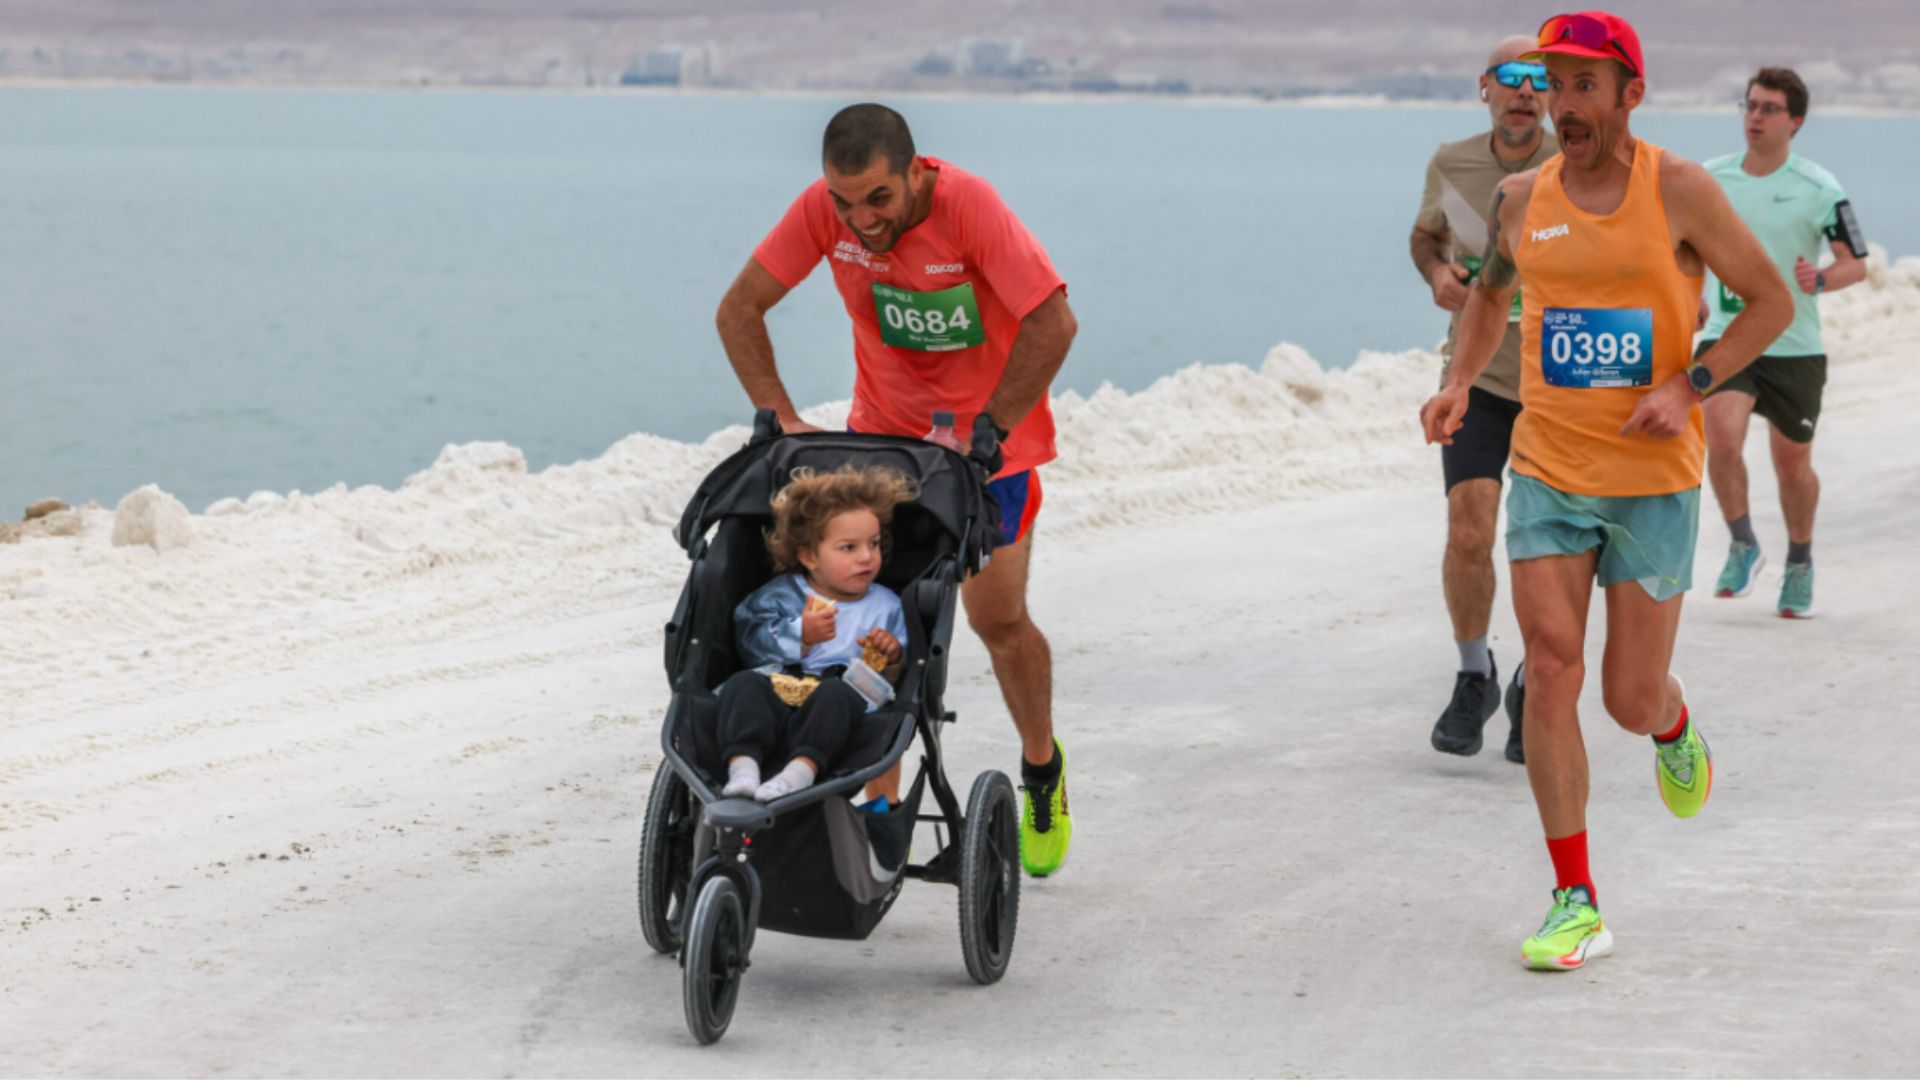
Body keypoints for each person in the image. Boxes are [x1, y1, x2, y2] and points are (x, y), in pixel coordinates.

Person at [1419, 11, 1793, 971]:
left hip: (1652, 482)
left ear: (1631, 93)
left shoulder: (1680, 189)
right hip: (1549, 468)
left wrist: (1691, 384)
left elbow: (1770, 302)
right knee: (1549, 670)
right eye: (1554, 84)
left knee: (1626, 697)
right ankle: (1575, 898)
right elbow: (1494, 294)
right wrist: (1461, 381)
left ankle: (1670, 724)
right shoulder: (1518, 198)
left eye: (1586, 84)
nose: (1564, 104)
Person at [715, 103, 1079, 875]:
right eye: (843, 202)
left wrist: (996, 425)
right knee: (879, 620)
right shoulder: (827, 212)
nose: (860, 219)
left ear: (915, 173)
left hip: (989, 459)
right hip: (885, 450)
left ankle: (1042, 771)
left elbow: (1053, 323)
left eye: (877, 199)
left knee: (998, 622)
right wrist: (781, 420)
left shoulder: (968, 207)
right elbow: (739, 309)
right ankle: (879, 805)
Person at [1411, 34, 1560, 764]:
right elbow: (1423, 236)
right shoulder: (1452, 162)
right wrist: (1437, 272)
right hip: (1476, 378)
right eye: (1513, 77)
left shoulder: (1574, 167)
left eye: (1541, 79)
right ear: (1486, 88)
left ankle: (1537, 680)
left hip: (1562, 388)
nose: (1526, 91)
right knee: (1469, 528)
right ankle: (1476, 675)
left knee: (1545, 548)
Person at [1698, 66, 1869, 619]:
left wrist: (1818, 279)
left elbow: (1856, 264)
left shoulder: (1820, 187)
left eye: (1769, 108)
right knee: (1719, 439)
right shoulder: (1711, 179)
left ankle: (1799, 562)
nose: (1755, 116)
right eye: (1750, 105)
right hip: (1728, 334)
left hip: (1795, 345)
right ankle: (1743, 542)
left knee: (1791, 465)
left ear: (1795, 121)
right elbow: (1680, 250)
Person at [717, 465, 912, 804]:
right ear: (808, 556)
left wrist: (892, 654)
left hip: (841, 704)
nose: (867, 557)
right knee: (741, 685)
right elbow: (751, 638)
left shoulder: (887, 605)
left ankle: (798, 773)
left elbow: (897, 675)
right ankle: (743, 768)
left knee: (838, 694)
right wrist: (800, 634)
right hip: (778, 690)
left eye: (874, 544)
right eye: (849, 548)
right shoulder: (781, 595)